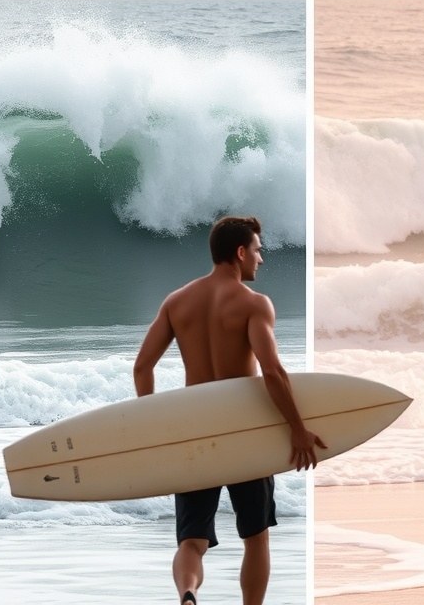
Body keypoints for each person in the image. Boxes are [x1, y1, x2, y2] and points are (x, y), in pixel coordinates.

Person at [133, 215, 325, 605]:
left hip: (193, 430)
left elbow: (142, 367)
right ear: (240, 253)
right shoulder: (254, 304)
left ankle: (187, 592)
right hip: (243, 432)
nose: (261, 259)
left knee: (192, 540)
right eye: (257, 250)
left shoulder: (176, 302)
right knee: (255, 537)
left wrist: (152, 424)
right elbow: (272, 371)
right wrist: (298, 429)